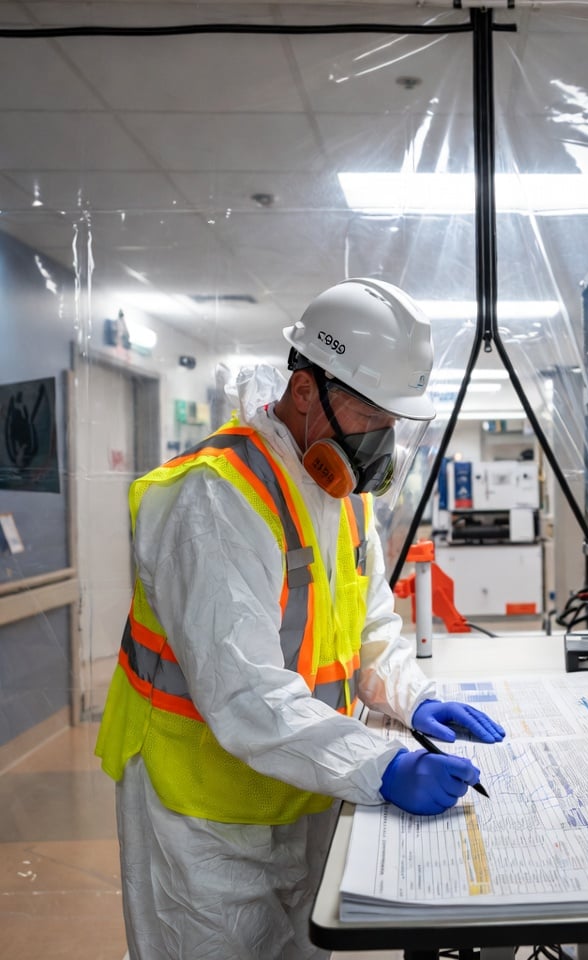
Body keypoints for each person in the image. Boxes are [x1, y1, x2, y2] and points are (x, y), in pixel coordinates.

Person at [95, 277, 506, 960]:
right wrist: (382, 766)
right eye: (373, 411)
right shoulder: (217, 500)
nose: (385, 437)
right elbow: (244, 693)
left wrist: (413, 698)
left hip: (305, 786)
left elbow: (370, 629)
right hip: (206, 815)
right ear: (307, 389)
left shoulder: (341, 494)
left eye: (396, 419)